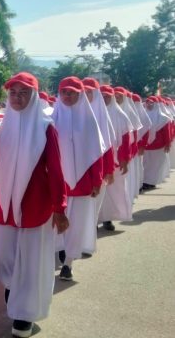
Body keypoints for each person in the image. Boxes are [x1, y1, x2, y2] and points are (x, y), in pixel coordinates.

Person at [0, 72, 68, 338]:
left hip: (35, 205)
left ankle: (24, 315)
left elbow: (55, 170)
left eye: (23, 93)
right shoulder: (4, 124)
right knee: (2, 255)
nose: (17, 98)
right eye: (13, 93)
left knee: (30, 262)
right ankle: (12, 288)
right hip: (4, 204)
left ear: (33, 97)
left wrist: (59, 207)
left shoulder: (45, 127)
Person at [51, 77, 104, 281]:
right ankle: (58, 252)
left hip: (82, 182)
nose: (67, 96)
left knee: (76, 223)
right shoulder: (53, 118)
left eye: (71, 92)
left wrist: (97, 180)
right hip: (58, 183)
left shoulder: (89, 120)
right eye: (64, 92)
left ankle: (69, 262)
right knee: (56, 222)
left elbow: (95, 153)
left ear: (79, 95)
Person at [81, 78, 116, 254]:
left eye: (89, 92)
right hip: (77, 171)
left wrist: (108, 170)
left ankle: (87, 242)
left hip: (98, 170)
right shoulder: (76, 112)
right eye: (84, 92)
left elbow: (108, 146)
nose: (86, 95)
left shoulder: (102, 116)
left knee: (92, 208)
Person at [98, 85, 133, 231]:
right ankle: (93, 221)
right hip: (98, 162)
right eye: (102, 96)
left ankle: (108, 219)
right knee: (98, 193)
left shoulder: (120, 116)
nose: (105, 99)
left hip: (116, 161)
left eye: (107, 96)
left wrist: (125, 160)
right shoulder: (94, 113)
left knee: (113, 192)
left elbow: (126, 141)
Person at [142, 96, 172, 190]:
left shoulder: (164, 118)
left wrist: (168, 143)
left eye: (151, 103)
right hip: (146, 146)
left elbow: (167, 133)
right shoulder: (143, 115)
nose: (149, 105)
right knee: (146, 164)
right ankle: (145, 181)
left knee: (155, 165)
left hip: (159, 146)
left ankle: (151, 182)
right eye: (147, 103)